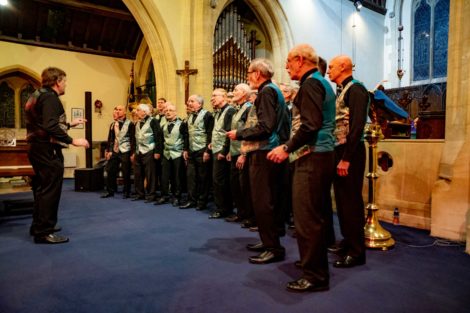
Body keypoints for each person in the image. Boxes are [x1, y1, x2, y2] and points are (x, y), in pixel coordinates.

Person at [268, 44, 336, 292]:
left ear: (299, 60)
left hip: (313, 156)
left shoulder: (310, 84)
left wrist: (286, 147)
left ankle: (315, 276)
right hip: (320, 155)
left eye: (288, 61)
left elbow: (310, 125)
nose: (286, 67)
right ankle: (312, 264)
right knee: (312, 216)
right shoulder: (320, 81)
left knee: (307, 218)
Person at [227, 58, 289, 265]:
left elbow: (266, 126)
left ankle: (273, 247)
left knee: (263, 202)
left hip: (265, 152)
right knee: (262, 201)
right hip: (265, 151)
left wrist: (240, 133)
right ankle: (267, 241)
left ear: (257, 74)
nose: (246, 76)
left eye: (248, 72)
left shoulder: (267, 91)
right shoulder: (270, 90)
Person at [25, 67, 89, 244]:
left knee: (41, 188)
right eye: (65, 81)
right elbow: (50, 126)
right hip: (47, 149)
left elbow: (43, 123)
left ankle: (38, 226)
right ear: (57, 81)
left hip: (36, 147)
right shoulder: (50, 97)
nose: (66, 84)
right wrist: (73, 140)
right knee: (50, 190)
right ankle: (44, 231)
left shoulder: (37, 94)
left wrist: (68, 124)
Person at [327, 55, 369, 268]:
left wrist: (346, 159)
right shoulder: (343, 89)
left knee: (351, 202)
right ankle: (348, 240)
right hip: (340, 150)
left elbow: (357, 126)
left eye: (332, 67)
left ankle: (357, 251)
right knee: (342, 201)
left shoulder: (356, 89)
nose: (328, 70)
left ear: (344, 67)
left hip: (350, 152)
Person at [225, 83, 253, 225]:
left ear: (243, 93)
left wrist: (244, 154)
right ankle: (241, 213)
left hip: (243, 152)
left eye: (235, 90)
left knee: (245, 186)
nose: (233, 92)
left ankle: (250, 216)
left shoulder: (249, 109)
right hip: (235, 151)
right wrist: (230, 150)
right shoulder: (238, 109)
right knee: (235, 185)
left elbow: (248, 132)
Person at [180, 95, 214, 210]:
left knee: (203, 178)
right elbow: (187, 135)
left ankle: (201, 201)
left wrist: (207, 151)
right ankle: (191, 200)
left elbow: (210, 134)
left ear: (199, 104)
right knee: (191, 177)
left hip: (202, 150)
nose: (189, 103)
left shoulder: (208, 115)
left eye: (192, 101)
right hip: (191, 151)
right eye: (188, 101)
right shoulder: (189, 117)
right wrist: (185, 149)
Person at [208, 88, 236, 219]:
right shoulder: (218, 112)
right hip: (216, 148)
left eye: (215, 96)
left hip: (222, 151)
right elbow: (218, 130)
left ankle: (223, 209)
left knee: (220, 181)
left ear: (224, 97)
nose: (212, 98)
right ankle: (222, 207)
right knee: (217, 180)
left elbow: (229, 132)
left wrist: (224, 151)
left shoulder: (229, 111)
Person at [155, 102, 188, 206]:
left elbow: (186, 138)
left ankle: (177, 196)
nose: (168, 112)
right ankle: (164, 196)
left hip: (178, 153)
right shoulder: (164, 125)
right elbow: (160, 141)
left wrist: (185, 150)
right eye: (166, 111)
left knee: (177, 177)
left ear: (176, 113)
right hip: (166, 153)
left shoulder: (182, 124)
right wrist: (159, 152)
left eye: (170, 111)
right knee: (164, 176)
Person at [101, 105, 135, 199]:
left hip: (126, 150)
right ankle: (110, 191)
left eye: (120, 110)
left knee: (126, 172)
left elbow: (132, 139)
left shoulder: (130, 124)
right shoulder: (113, 124)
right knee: (110, 170)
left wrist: (132, 153)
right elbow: (110, 139)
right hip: (115, 150)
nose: (118, 111)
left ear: (124, 112)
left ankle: (126, 192)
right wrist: (108, 150)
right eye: (117, 110)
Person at [131, 103, 163, 202]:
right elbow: (134, 138)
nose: (136, 112)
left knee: (150, 174)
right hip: (138, 151)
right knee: (138, 173)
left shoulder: (153, 121)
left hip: (149, 150)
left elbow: (158, 137)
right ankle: (140, 193)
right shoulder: (137, 122)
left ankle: (151, 194)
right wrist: (133, 152)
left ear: (144, 112)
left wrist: (157, 151)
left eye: (138, 110)